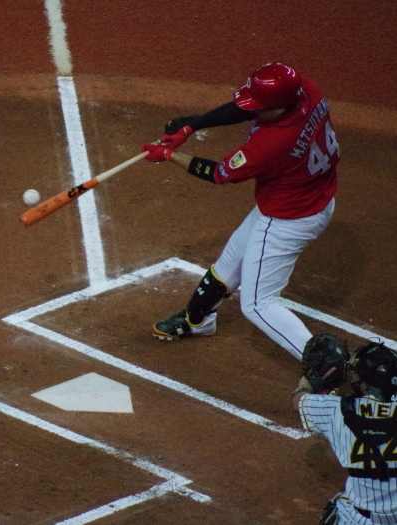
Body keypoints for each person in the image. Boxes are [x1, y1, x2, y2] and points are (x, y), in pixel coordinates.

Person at [141, 62, 340, 360]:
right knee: (232, 259)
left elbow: (219, 173)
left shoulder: (272, 143)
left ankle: (324, 366)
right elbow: (248, 108)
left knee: (258, 305)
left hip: (289, 219)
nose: (254, 109)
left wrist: (170, 154)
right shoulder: (306, 91)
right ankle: (199, 320)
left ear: (280, 106)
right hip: (311, 197)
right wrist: (194, 124)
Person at [294, 340, 397, 524]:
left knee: (336, 510)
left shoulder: (336, 411)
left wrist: (308, 383)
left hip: (361, 519)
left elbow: (299, 401)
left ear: (367, 384)